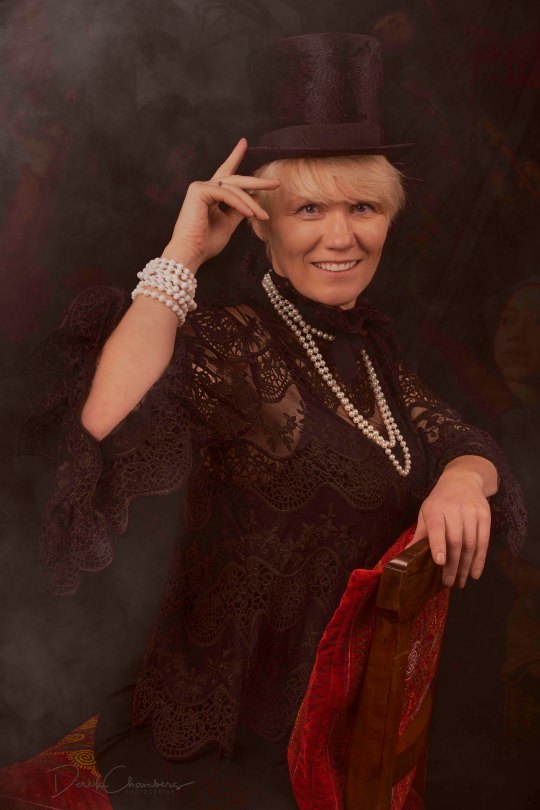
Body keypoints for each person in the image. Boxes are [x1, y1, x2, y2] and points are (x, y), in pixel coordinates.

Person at [16, 33, 527, 809]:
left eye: (363, 207)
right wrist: (183, 255)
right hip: (217, 746)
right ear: (262, 223)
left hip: (334, 739)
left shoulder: (367, 348)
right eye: (308, 209)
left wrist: (462, 477)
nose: (340, 236)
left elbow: (458, 435)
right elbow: (104, 425)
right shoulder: (234, 341)